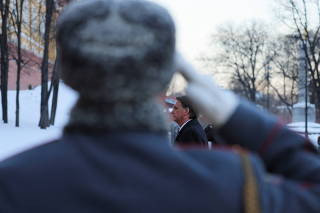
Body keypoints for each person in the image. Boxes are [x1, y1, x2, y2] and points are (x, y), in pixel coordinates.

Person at [0, 0, 319, 212]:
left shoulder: (13, 181)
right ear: (167, 75)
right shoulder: (230, 181)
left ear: (68, 73)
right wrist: (236, 114)